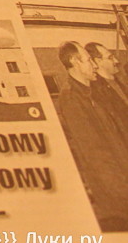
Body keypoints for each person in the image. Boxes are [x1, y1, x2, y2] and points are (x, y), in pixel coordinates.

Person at [54, 41, 128, 232]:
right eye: (89, 60)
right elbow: (95, 154)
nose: (95, 65)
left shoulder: (93, 92)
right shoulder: (71, 98)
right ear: (75, 62)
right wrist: (123, 191)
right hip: (117, 200)